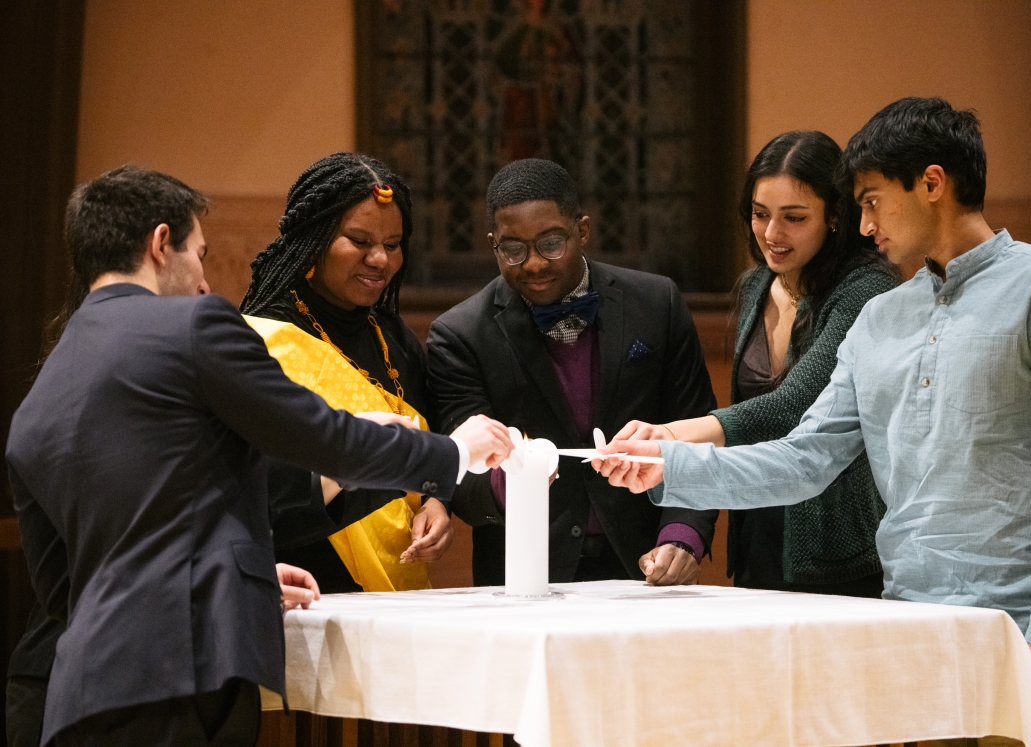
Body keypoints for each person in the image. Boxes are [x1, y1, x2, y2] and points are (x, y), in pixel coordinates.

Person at [596, 97, 1031, 747]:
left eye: (871, 200)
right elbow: (803, 457)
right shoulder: (881, 319)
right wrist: (664, 467)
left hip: (1022, 628)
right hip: (912, 628)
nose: (864, 225)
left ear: (932, 183)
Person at [6, 166, 513, 747]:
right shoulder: (193, 325)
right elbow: (324, 438)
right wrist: (452, 453)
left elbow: (64, 581)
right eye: (199, 253)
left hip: (78, 692)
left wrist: (232, 574)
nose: (202, 279)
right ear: (160, 243)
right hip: (181, 682)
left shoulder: (48, 381)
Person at [612, 131, 897, 595]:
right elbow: (747, 406)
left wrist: (668, 436)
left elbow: (792, 407)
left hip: (836, 542)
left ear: (835, 216)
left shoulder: (865, 289)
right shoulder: (754, 285)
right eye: (760, 214)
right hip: (756, 527)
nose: (771, 234)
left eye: (794, 218)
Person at [427, 158, 719, 587]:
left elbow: (697, 432)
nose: (533, 264)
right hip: (523, 575)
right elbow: (462, 478)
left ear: (582, 230)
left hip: (647, 562)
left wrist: (683, 534)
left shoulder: (656, 303)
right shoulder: (460, 335)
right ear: (493, 244)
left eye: (551, 243)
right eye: (512, 248)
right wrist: (516, 480)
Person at [241, 153, 451, 593]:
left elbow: (433, 437)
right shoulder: (261, 340)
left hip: (401, 581)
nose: (380, 259)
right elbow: (258, 482)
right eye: (359, 240)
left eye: (393, 245)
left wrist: (436, 499)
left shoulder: (393, 336)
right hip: (305, 578)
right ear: (314, 238)